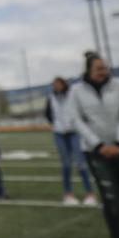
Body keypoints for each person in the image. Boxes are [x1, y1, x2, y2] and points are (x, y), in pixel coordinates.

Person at [68, 51, 119, 238]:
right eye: (98, 68)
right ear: (88, 70)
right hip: (96, 153)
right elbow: (76, 120)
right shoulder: (77, 91)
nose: (102, 72)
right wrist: (98, 145)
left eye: (104, 67)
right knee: (111, 198)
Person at [46, 76, 96, 205]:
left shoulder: (72, 95)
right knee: (66, 165)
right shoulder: (51, 97)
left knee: (81, 163)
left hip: (74, 132)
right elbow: (47, 113)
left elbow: (80, 109)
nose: (56, 86)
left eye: (58, 84)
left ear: (63, 84)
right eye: (54, 84)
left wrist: (76, 123)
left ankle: (90, 194)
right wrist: (55, 124)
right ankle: (68, 194)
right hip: (59, 133)